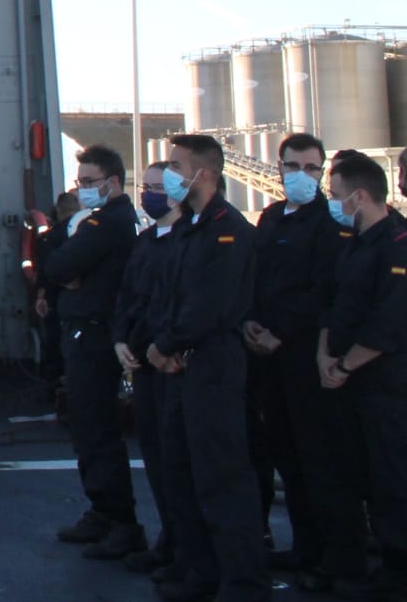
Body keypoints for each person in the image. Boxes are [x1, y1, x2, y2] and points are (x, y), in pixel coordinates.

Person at [145, 134, 265, 602]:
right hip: (181, 365)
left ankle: (243, 583)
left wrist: (169, 344)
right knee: (183, 473)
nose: (170, 174)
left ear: (205, 174)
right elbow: (171, 295)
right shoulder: (191, 227)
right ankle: (200, 572)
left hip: (212, 364)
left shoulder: (226, 229)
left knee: (223, 478)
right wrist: (162, 346)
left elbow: (209, 304)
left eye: (177, 166)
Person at [246, 133, 357, 591]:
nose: (302, 177)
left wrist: (281, 332)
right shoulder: (271, 218)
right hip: (265, 356)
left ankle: (338, 560)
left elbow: (322, 291)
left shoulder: (327, 226)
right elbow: (254, 276)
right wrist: (251, 323)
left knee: (320, 460)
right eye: (294, 168)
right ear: (280, 169)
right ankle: (307, 548)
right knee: (286, 458)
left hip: (302, 354)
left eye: (312, 169)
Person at [45, 144, 145, 559]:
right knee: (86, 428)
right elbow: (58, 264)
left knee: (97, 428)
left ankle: (121, 519)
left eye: (89, 182)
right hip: (82, 330)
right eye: (79, 182)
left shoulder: (109, 223)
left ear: (114, 183)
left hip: (96, 333)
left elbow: (56, 266)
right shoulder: (97, 223)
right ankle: (102, 510)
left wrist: (67, 271)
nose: (83, 189)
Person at [316, 148, 407, 600]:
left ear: (362, 196)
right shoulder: (353, 243)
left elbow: (387, 321)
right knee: (355, 474)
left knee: (392, 479)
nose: (333, 203)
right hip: (346, 379)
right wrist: (323, 356)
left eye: (337, 195)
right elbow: (335, 305)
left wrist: (345, 364)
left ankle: (397, 567)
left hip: (383, 384)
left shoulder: (397, 244)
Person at [112, 162, 182, 576]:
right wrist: (121, 339)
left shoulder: (188, 241)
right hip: (143, 362)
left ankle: (186, 548)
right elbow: (128, 296)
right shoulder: (146, 241)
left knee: (180, 461)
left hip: (172, 363)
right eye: (148, 186)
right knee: (155, 457)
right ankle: (169, 540)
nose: (150, 194)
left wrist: (164, 346)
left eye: (159, 187)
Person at [33, 189, 79, 391]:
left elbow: (44, 270)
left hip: (54, 297)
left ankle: (54, 385)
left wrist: (41, 296)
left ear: (58, 211)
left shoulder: (51, 238)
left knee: (54, 342)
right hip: (79, 299)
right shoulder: (83, 233)